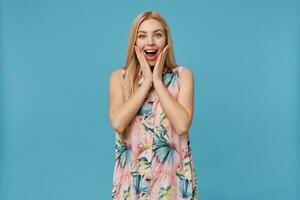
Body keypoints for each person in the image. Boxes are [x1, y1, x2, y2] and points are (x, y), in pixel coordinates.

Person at [109, 11, 199, 199]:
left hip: (171, 186)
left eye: (157, 34)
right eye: (142, 36)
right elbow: (118, 123)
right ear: (134, 42)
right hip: (132, 186)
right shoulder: (119, 78)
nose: (150, 42)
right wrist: (146, 81)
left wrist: (157, 82)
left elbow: (182, 125)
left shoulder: (183, 77)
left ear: (167, 40)